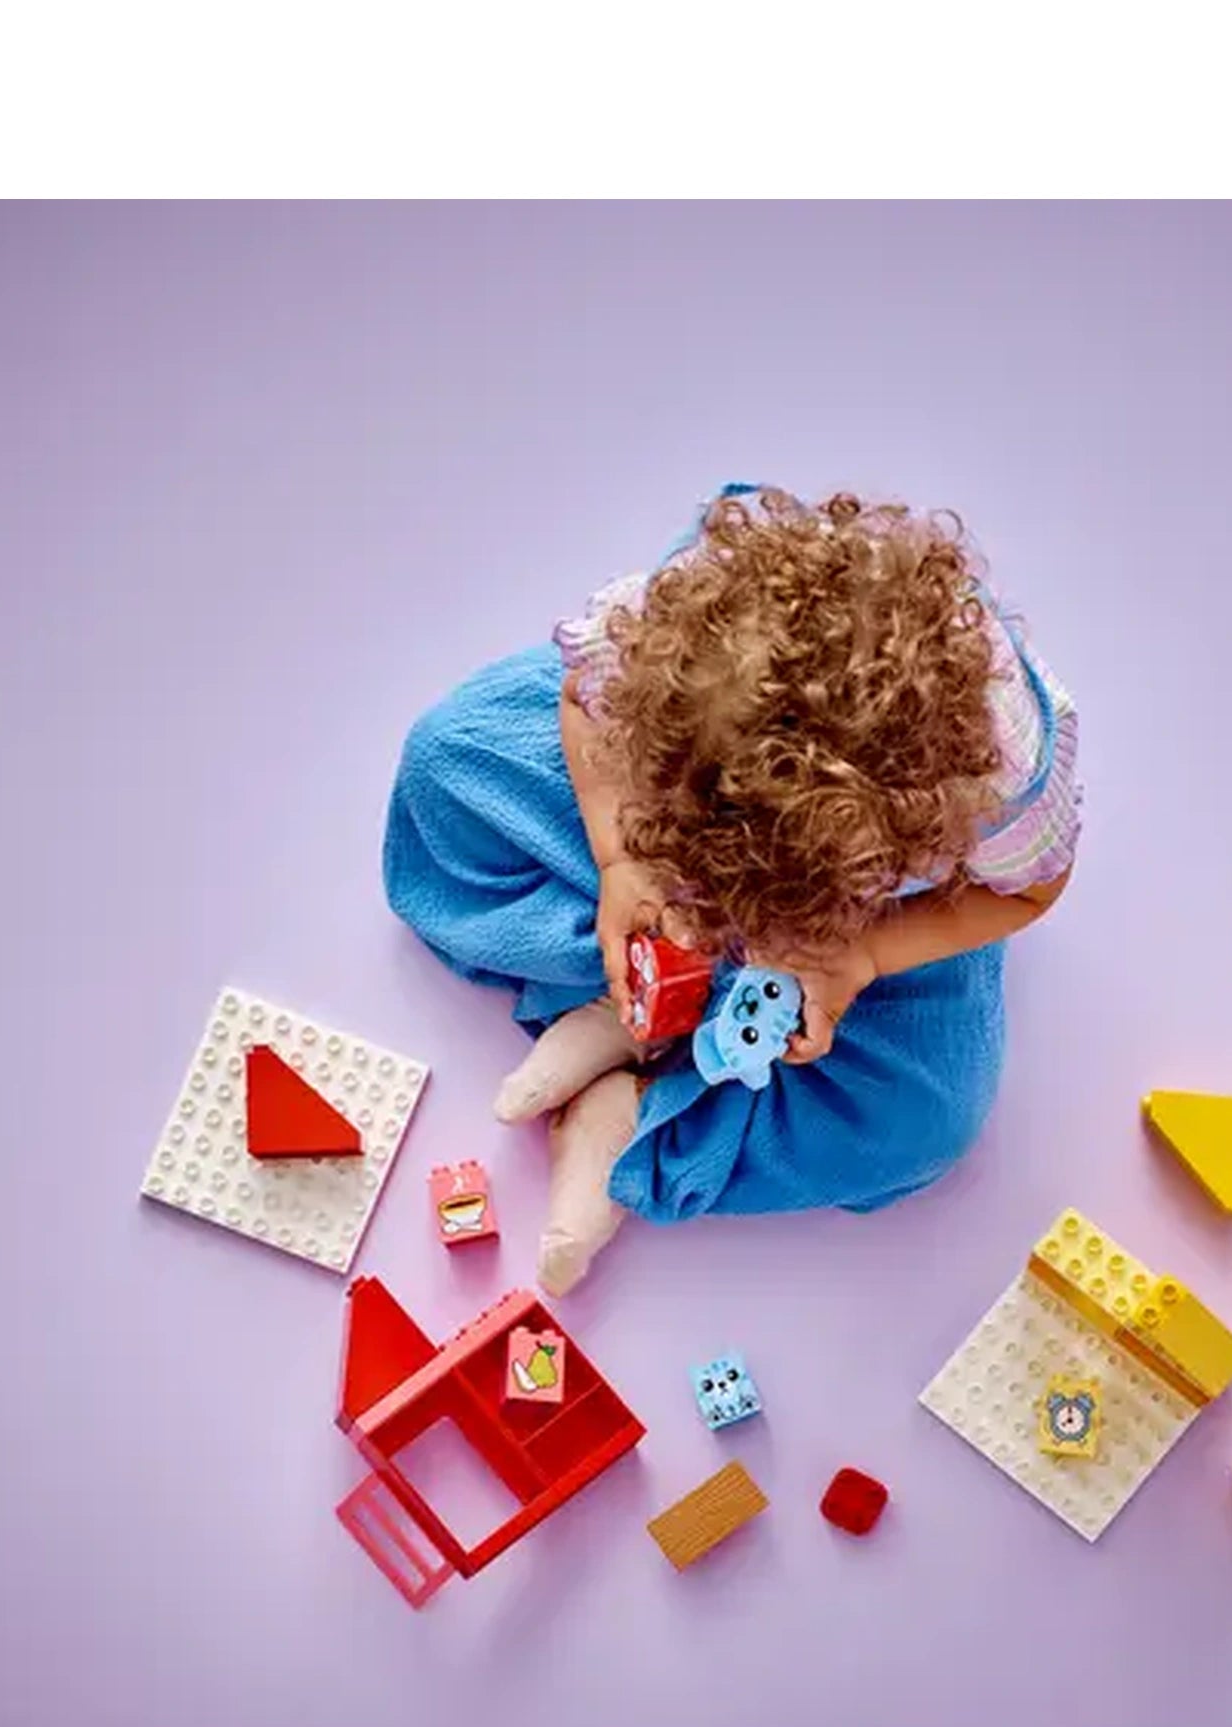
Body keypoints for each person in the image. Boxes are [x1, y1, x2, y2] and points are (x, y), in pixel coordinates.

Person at [383, 483, 1081, 1293]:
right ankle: (640, 1005)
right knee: (447, 761)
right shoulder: (682, 632)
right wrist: (623, 859)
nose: (728, 932)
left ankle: (635, 1109)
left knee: (926, 1121)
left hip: (872, 930)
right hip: (659, 813)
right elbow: (580, 698)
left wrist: (862, 955)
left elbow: (1030, 892)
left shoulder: (1000, 784)